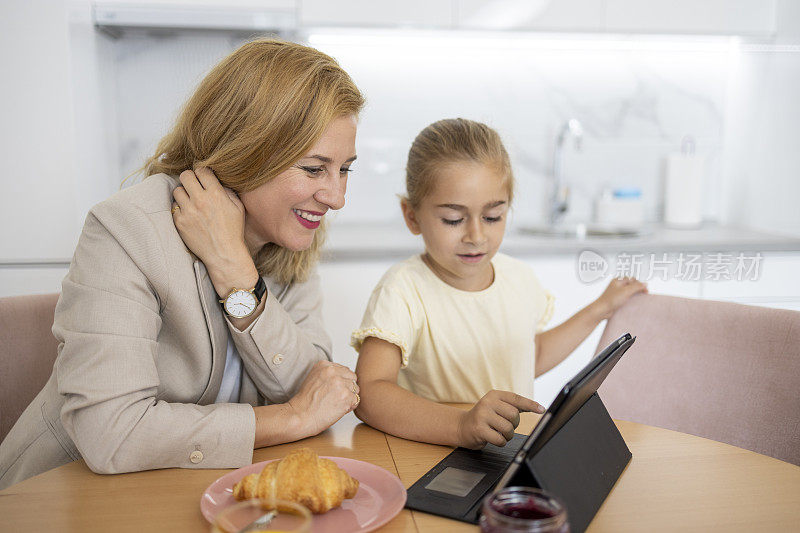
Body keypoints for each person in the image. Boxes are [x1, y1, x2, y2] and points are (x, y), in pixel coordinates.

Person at [0, 38, 365, 490]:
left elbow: (316, 387)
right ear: (247, 149)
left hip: (195, 487)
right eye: (314, 169)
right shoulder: (127, 228)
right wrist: (288, 420)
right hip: (61, 496)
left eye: (345, 168)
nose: (336, 197)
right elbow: (111, 432)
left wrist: (237, 276)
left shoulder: (293, 235)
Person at [351, 118, 647, 449]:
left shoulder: (519, 279)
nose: (476, 236)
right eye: (453, 219)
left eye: (493, 217)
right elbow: (371, 392)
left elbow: (529, 357)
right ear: (412, 216)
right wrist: (460, 425)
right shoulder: (403, 290)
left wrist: (600, 309)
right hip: (432, 455)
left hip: (507, 452)